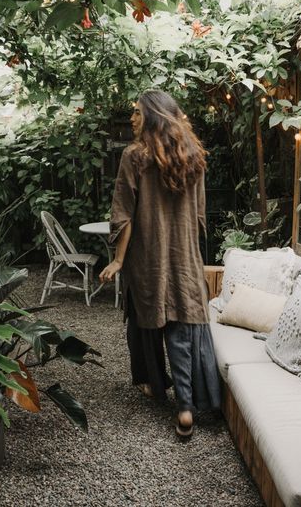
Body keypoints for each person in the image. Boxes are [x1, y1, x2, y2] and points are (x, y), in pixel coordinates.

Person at [99, 89, 221, 438]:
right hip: (184, 256)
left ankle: (155, 383)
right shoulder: (193, 155)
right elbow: (198, 215)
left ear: (153, 116)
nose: (133, 118)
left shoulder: (134, 156)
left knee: (147, 320)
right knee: (182, 325)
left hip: (147, 257)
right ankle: (185, 408)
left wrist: (119, 259)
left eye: (137, 112)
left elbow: (124, 215)